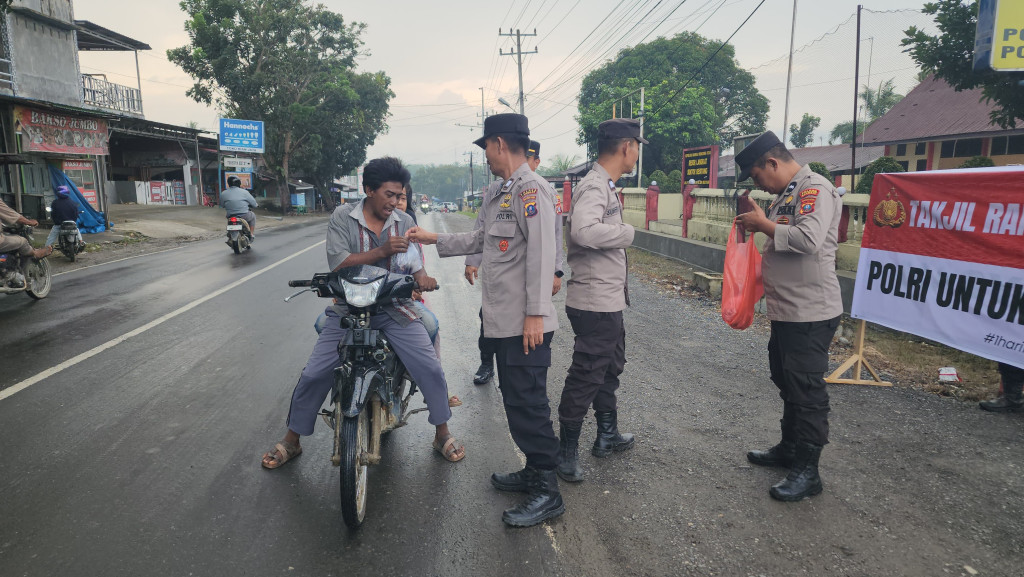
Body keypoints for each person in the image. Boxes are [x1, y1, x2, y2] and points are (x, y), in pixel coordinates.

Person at [407, 113, 564, 528]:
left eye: (486, 150)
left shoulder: (533, 190)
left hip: (525, 322)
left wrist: (535, 314)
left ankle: (548, 491)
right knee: (515, 402)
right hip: (502, 320)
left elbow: (544, 254)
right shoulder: (499, 191)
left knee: (529, 404)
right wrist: (433, 238)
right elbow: (479, 239)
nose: (487, 159)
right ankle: (534, 471)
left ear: (498, 143)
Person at [261, 156, 465, 470]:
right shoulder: (342, 217)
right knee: (315, 373)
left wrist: (423, 278)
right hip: (348, 309)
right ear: (368, 190)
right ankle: (292, 439)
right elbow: (339, 263)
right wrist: (381, 251)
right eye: (389, 195)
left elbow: (415, 265)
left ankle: (442, 433)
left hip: (394, 309)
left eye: (399, 196)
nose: (396, 202)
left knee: (430, 366)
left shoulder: (404, 222)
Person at [733, 130, 843, 502]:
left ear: (772, 163)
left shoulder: (814, 189)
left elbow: (808, 240)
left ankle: (808, 472)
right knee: (786, 378)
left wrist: (764, 224)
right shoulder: (787, 195)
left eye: (758, 176)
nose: (759, 185)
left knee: (807, 390)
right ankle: (790, 449)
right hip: (788, 310)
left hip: (810, 311)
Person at [556, 119, 643, 483]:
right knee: (586, 374)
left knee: (609, 368)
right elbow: (583, 230)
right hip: (595, 302)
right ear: (626, 147)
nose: (637, 153)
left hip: (608, 300)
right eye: (637, 146)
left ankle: (607, 435)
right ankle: (565, 454)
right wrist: (628, 232)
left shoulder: (604, 185)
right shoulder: (594, 187)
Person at [465, 139, 564, 386]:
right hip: (502, 288)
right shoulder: (497, 191)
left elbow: (552, 239)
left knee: (524, 384)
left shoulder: (541, 191)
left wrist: (556, 272)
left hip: (525, 291)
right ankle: (487, 361)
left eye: (530, 160)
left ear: (536, 162)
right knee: (488, 318)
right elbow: (482, 230)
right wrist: (472, 260)